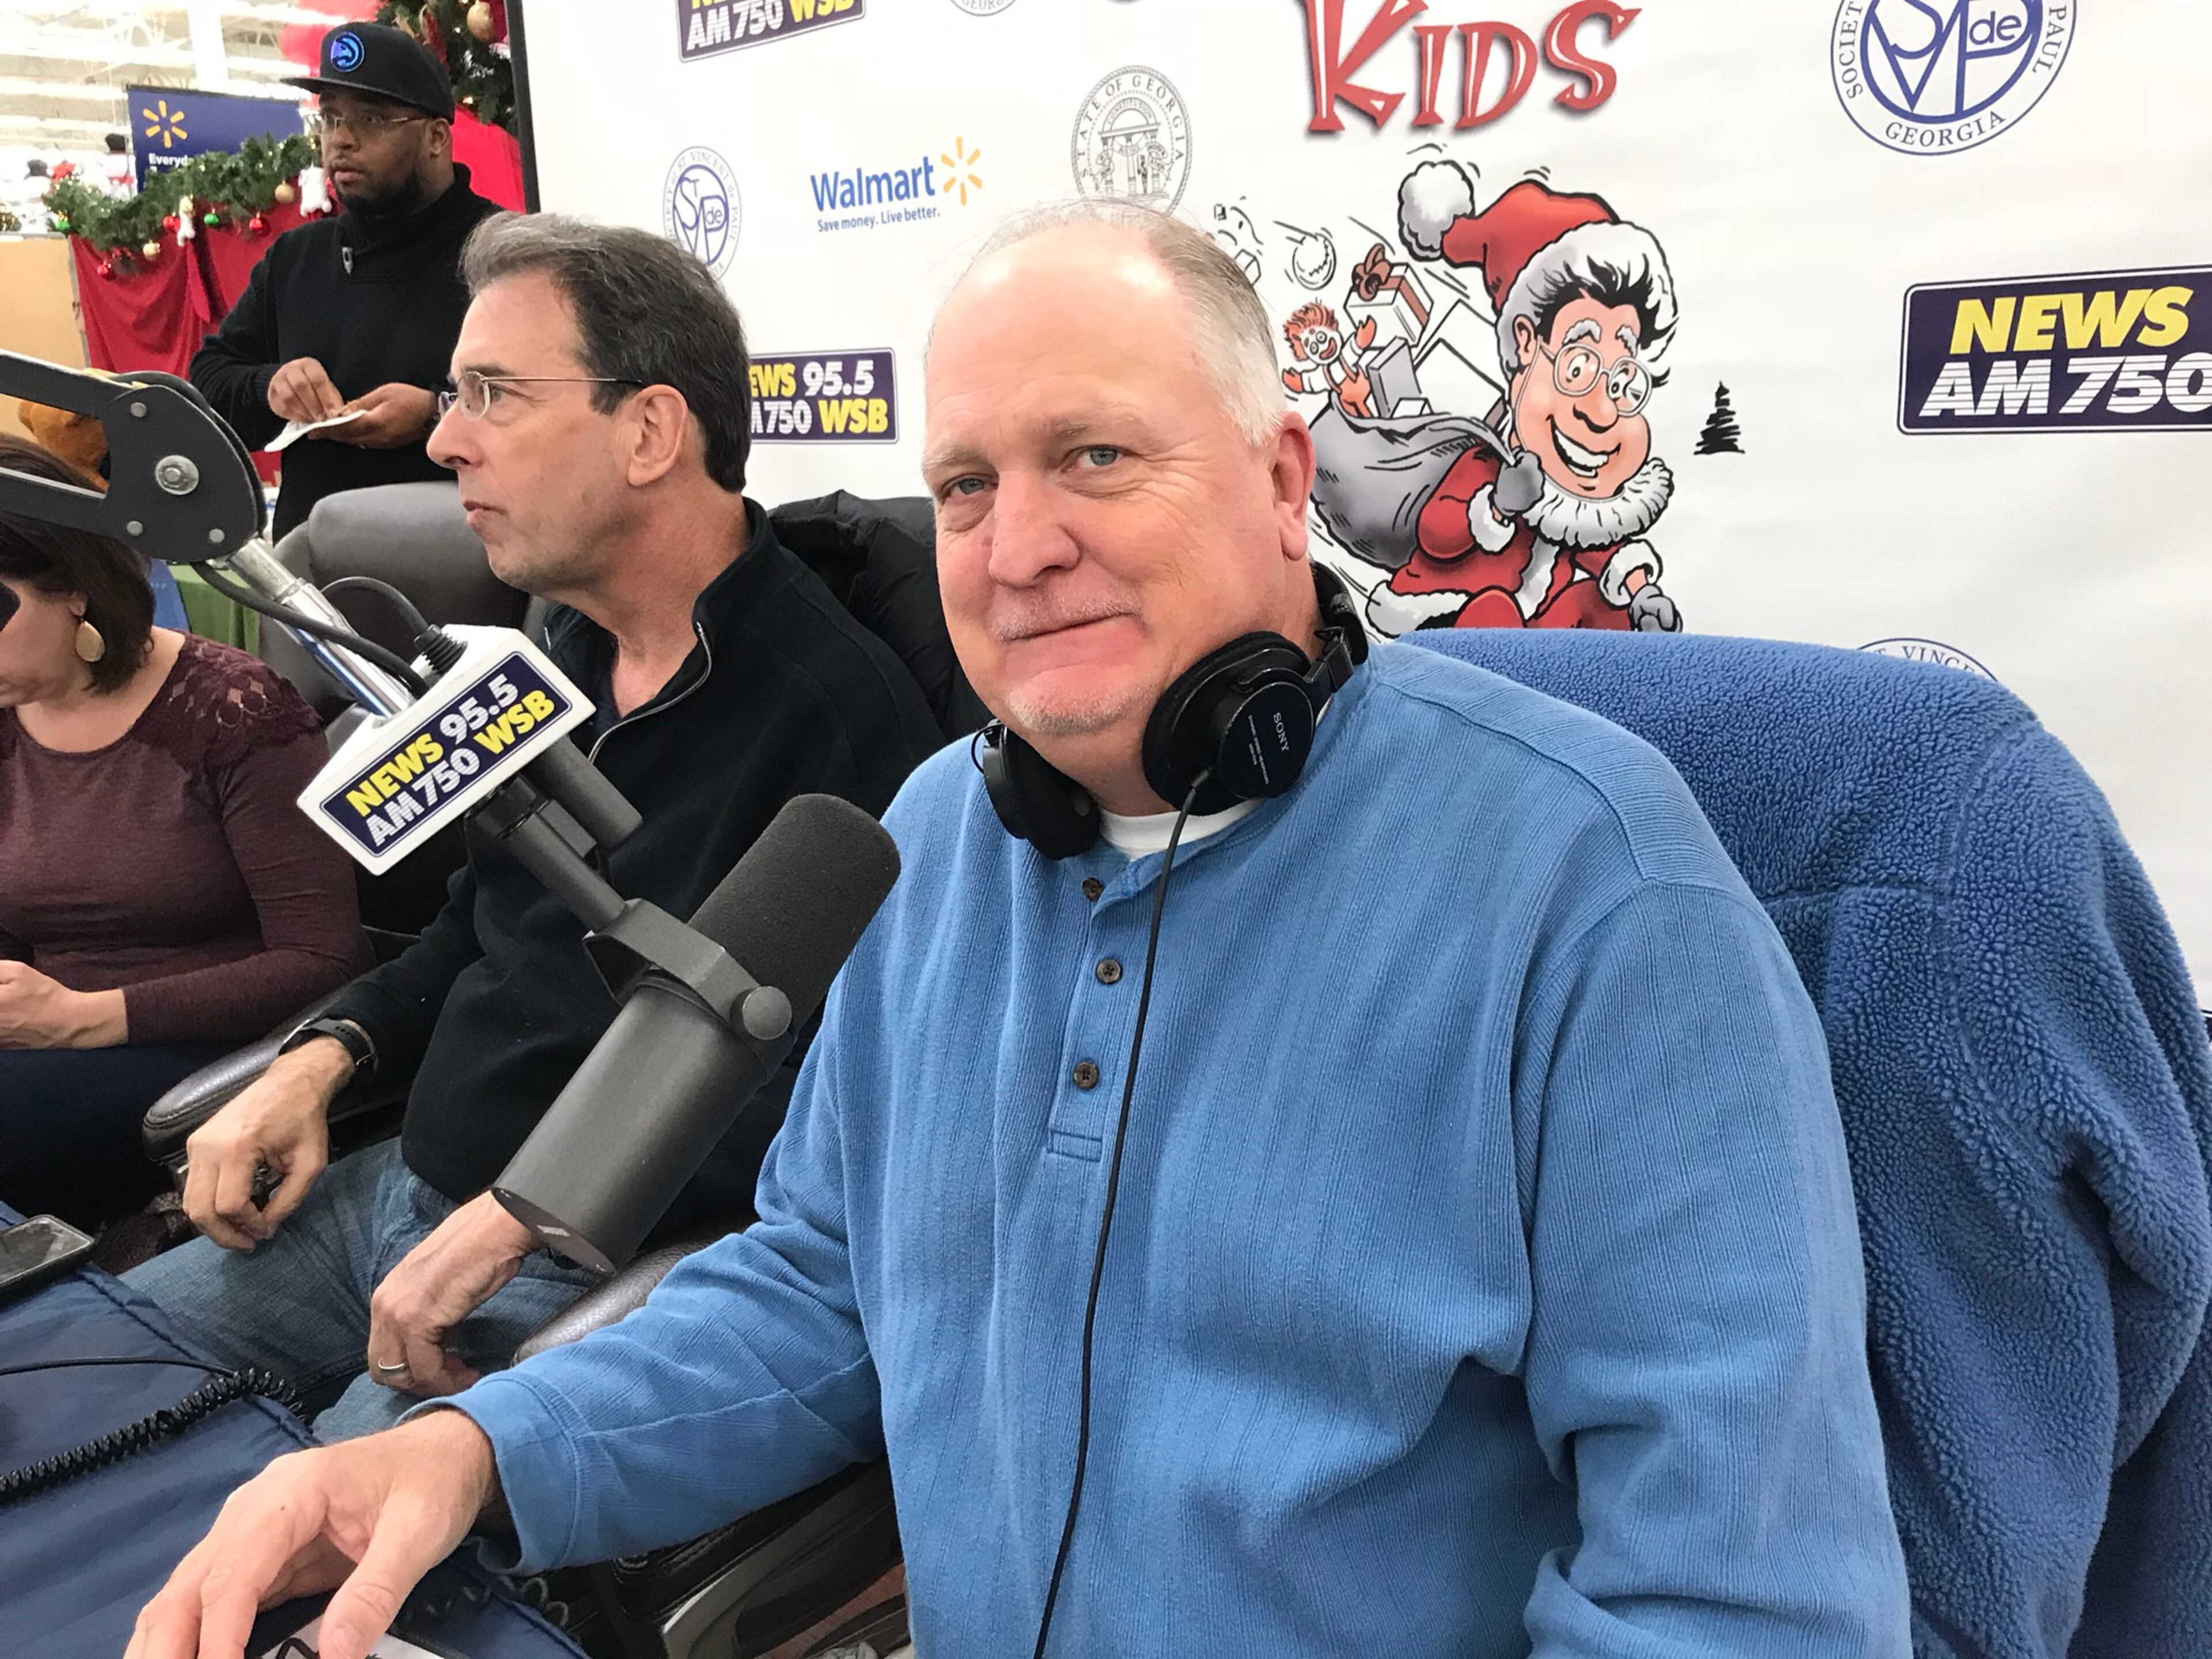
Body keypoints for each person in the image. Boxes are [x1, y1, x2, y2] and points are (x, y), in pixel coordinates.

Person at [129, 204, 1912, 1659]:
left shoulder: (1589, 887)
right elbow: (824, 1290)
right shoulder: (930, 843)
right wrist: (475, 1450)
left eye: (1094, 457)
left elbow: (1737, 1598)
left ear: (1286, 481)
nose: (1014, 544)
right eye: (967, 485)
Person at [126, 214, 945, 1444]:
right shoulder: (553, 647)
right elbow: (476, 928)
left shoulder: (840, 718)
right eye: (453, 398)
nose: (446, 441)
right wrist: (319, 1060)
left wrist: (523, 1217)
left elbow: (824, 1099)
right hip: (388, 1188)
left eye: (492, 395)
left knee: (270, 1565)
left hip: (575, 1262)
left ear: (651, 431)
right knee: (71, 1375)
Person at [0, 436, 370, 1230]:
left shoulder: (236, 713)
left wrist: (84, 1015)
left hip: (202, 1045)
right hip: (43, 1041)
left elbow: (326, 959)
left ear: (70, 586)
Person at [190, 22, 500, 539]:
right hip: (312, 578)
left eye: (371, 119)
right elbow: (210, 379)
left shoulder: (504, 254)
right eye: (331, 117)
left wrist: (436, 412)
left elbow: (553, 404)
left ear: (436, 138)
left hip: (472, 568)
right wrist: (270, 387)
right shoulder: (297, 258)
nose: (341, 140)